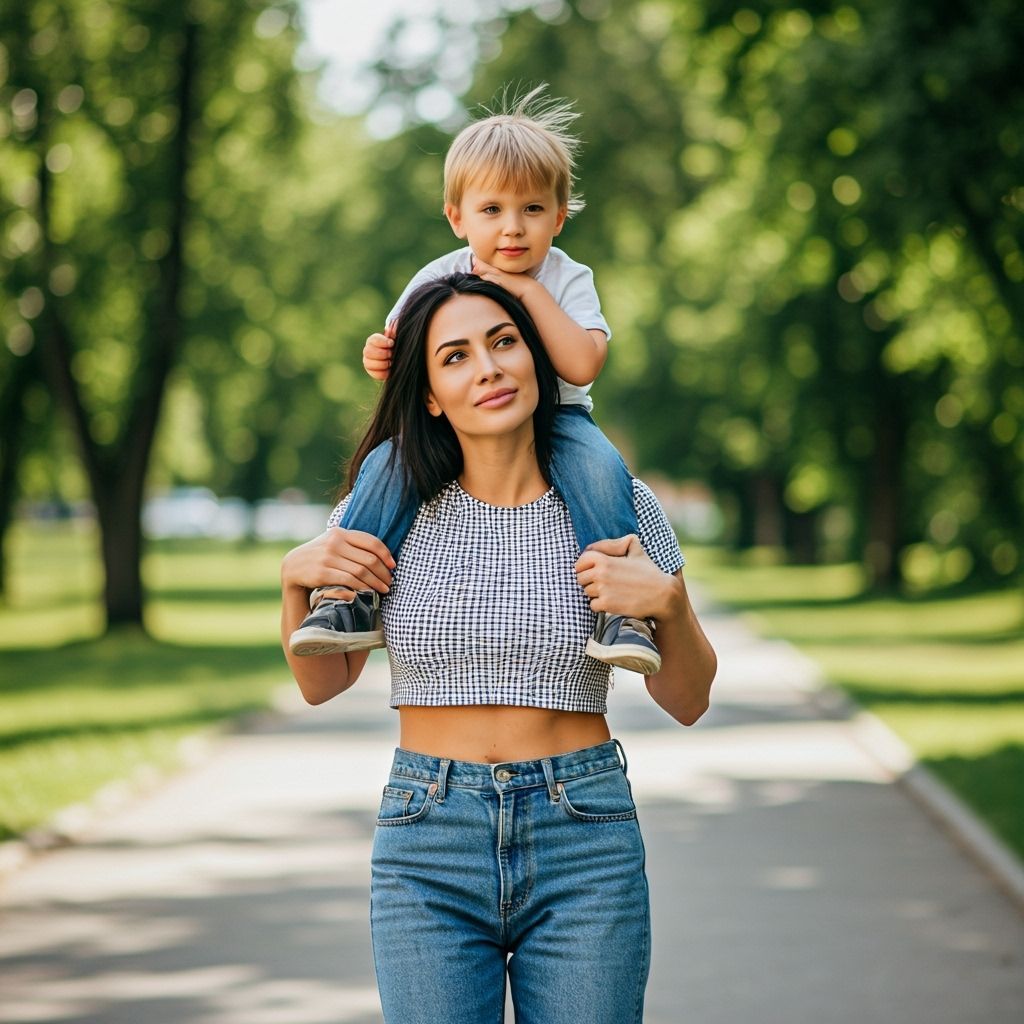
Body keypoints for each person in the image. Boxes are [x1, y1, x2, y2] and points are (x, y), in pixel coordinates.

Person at [280, 274, 717, 1024]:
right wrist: (294, 582)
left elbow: (689, 698)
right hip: (428, 840)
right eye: (455, 356)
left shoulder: (616, 504)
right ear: (428, 394)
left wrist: (669, 605)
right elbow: (322, 683)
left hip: (583, 835)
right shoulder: (381, 512)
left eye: (504, 342)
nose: (487, 367)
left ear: (535, 356)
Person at [288, 85, 662, 674]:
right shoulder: (442, 275)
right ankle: (345, 600)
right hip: (454, 428)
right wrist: (379, 355)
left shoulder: (565, 277)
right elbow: (404, 351)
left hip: (560, 417)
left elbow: (583, 365)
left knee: (601, 469)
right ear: (457, 218)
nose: (513, 230)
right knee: (389, 461)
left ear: (559, 217)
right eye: (492, 211)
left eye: (532, 210)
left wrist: (528, 292)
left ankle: (621, 612)